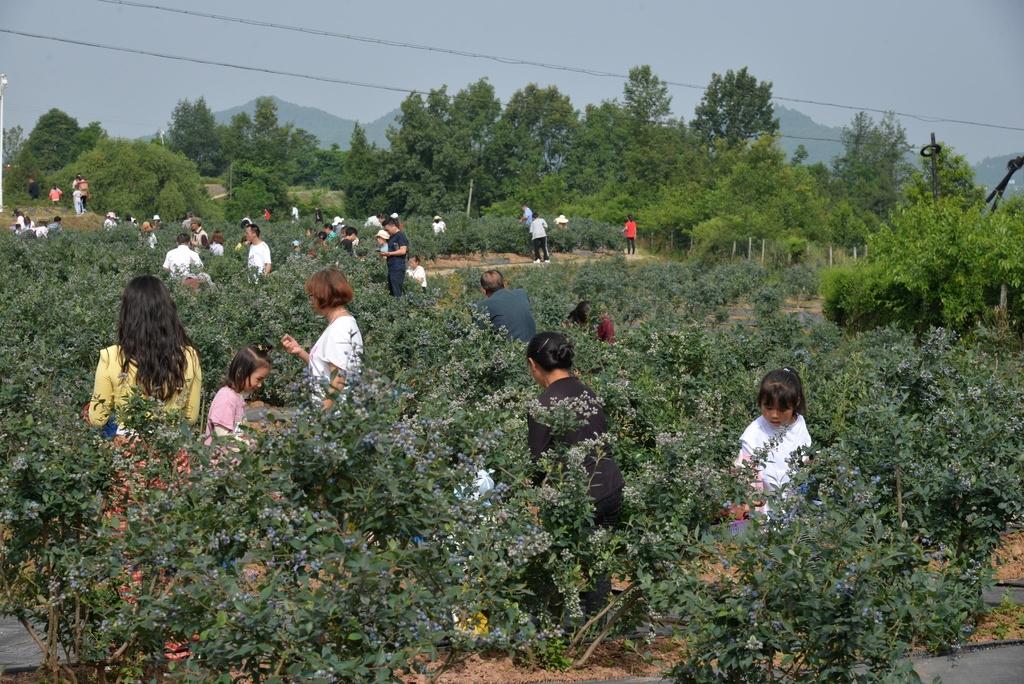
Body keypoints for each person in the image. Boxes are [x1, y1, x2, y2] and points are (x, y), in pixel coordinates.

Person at [525, 331, 624, 615]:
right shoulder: (587, 391)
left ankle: (558, 625)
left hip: (583, 496)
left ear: (534, 365)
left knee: (561, 558)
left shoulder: (543, 405)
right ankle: (597, 624)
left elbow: (538, 462)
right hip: (612, 487)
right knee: (598, 564)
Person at [87, 275, 202, 436]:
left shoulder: (111, 356)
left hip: (128, 452)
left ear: (127, 314)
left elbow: (97, 419)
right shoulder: (189, 357)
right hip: (172, 449)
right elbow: (190, 417)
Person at [732, 368, 812, 516]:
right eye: (768, 408)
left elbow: (803, 456)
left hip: (793, 499)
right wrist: (754, 498)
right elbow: (748, 469)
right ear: (760, 402)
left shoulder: (799, 423)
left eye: (782, 410)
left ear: (796, 403)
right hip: (766, 504)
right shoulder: (754, 432)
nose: (774, 415)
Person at [281, 269, 363, 405]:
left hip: (334, 417)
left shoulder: (339, 330)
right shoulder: (343, 323)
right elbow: (325, 370)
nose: (310, 301)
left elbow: (338, 381)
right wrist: (300, 352)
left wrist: (322, 417)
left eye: (312, 295)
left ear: (324, 295)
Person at [205, 345, 271, 445]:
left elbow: (235, 433)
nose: (260, 384)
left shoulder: (237, 397)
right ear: (241, 373)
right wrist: (246, 444)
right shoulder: (226, 398)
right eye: (258, 379)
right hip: (221, 460)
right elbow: (221, 437)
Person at [476, 270, 536, 342]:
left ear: (483, 289)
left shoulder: (484, 305)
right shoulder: (521, 293)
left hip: (512, 350)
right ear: (504, 283)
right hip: (534, 346)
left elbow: (481, 334)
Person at [381, 216, 409, 297]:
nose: (387, 232)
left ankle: (399, 308)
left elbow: (403, 250)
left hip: (397, 267)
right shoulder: (392, 237)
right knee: (392, 291)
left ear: (393, 226)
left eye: (387, 229)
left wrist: (389, 254)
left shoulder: (400, 236)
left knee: (396, 292)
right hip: (392, 267)